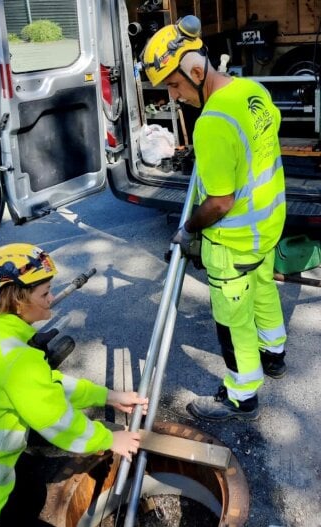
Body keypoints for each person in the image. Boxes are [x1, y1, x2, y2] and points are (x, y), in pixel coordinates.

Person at [0, 243, 148, 526]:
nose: (51, 298)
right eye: (44, 293)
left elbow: (43, 386)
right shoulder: (18, 360)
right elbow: (56, 420)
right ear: (18, 300)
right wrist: (109, 439)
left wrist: (108, 396)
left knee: (28, 493)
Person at [142, 15, 287, 421]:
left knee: (232, 319)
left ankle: (242, 395)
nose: (173, 97)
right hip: (267, 227)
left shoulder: (212, 123)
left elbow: (219, 203)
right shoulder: (251, 90)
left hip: (234, 239)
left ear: (193, 69)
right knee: (264, 290)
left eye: (173, 85)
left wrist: (188, 228)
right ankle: (274, 356)